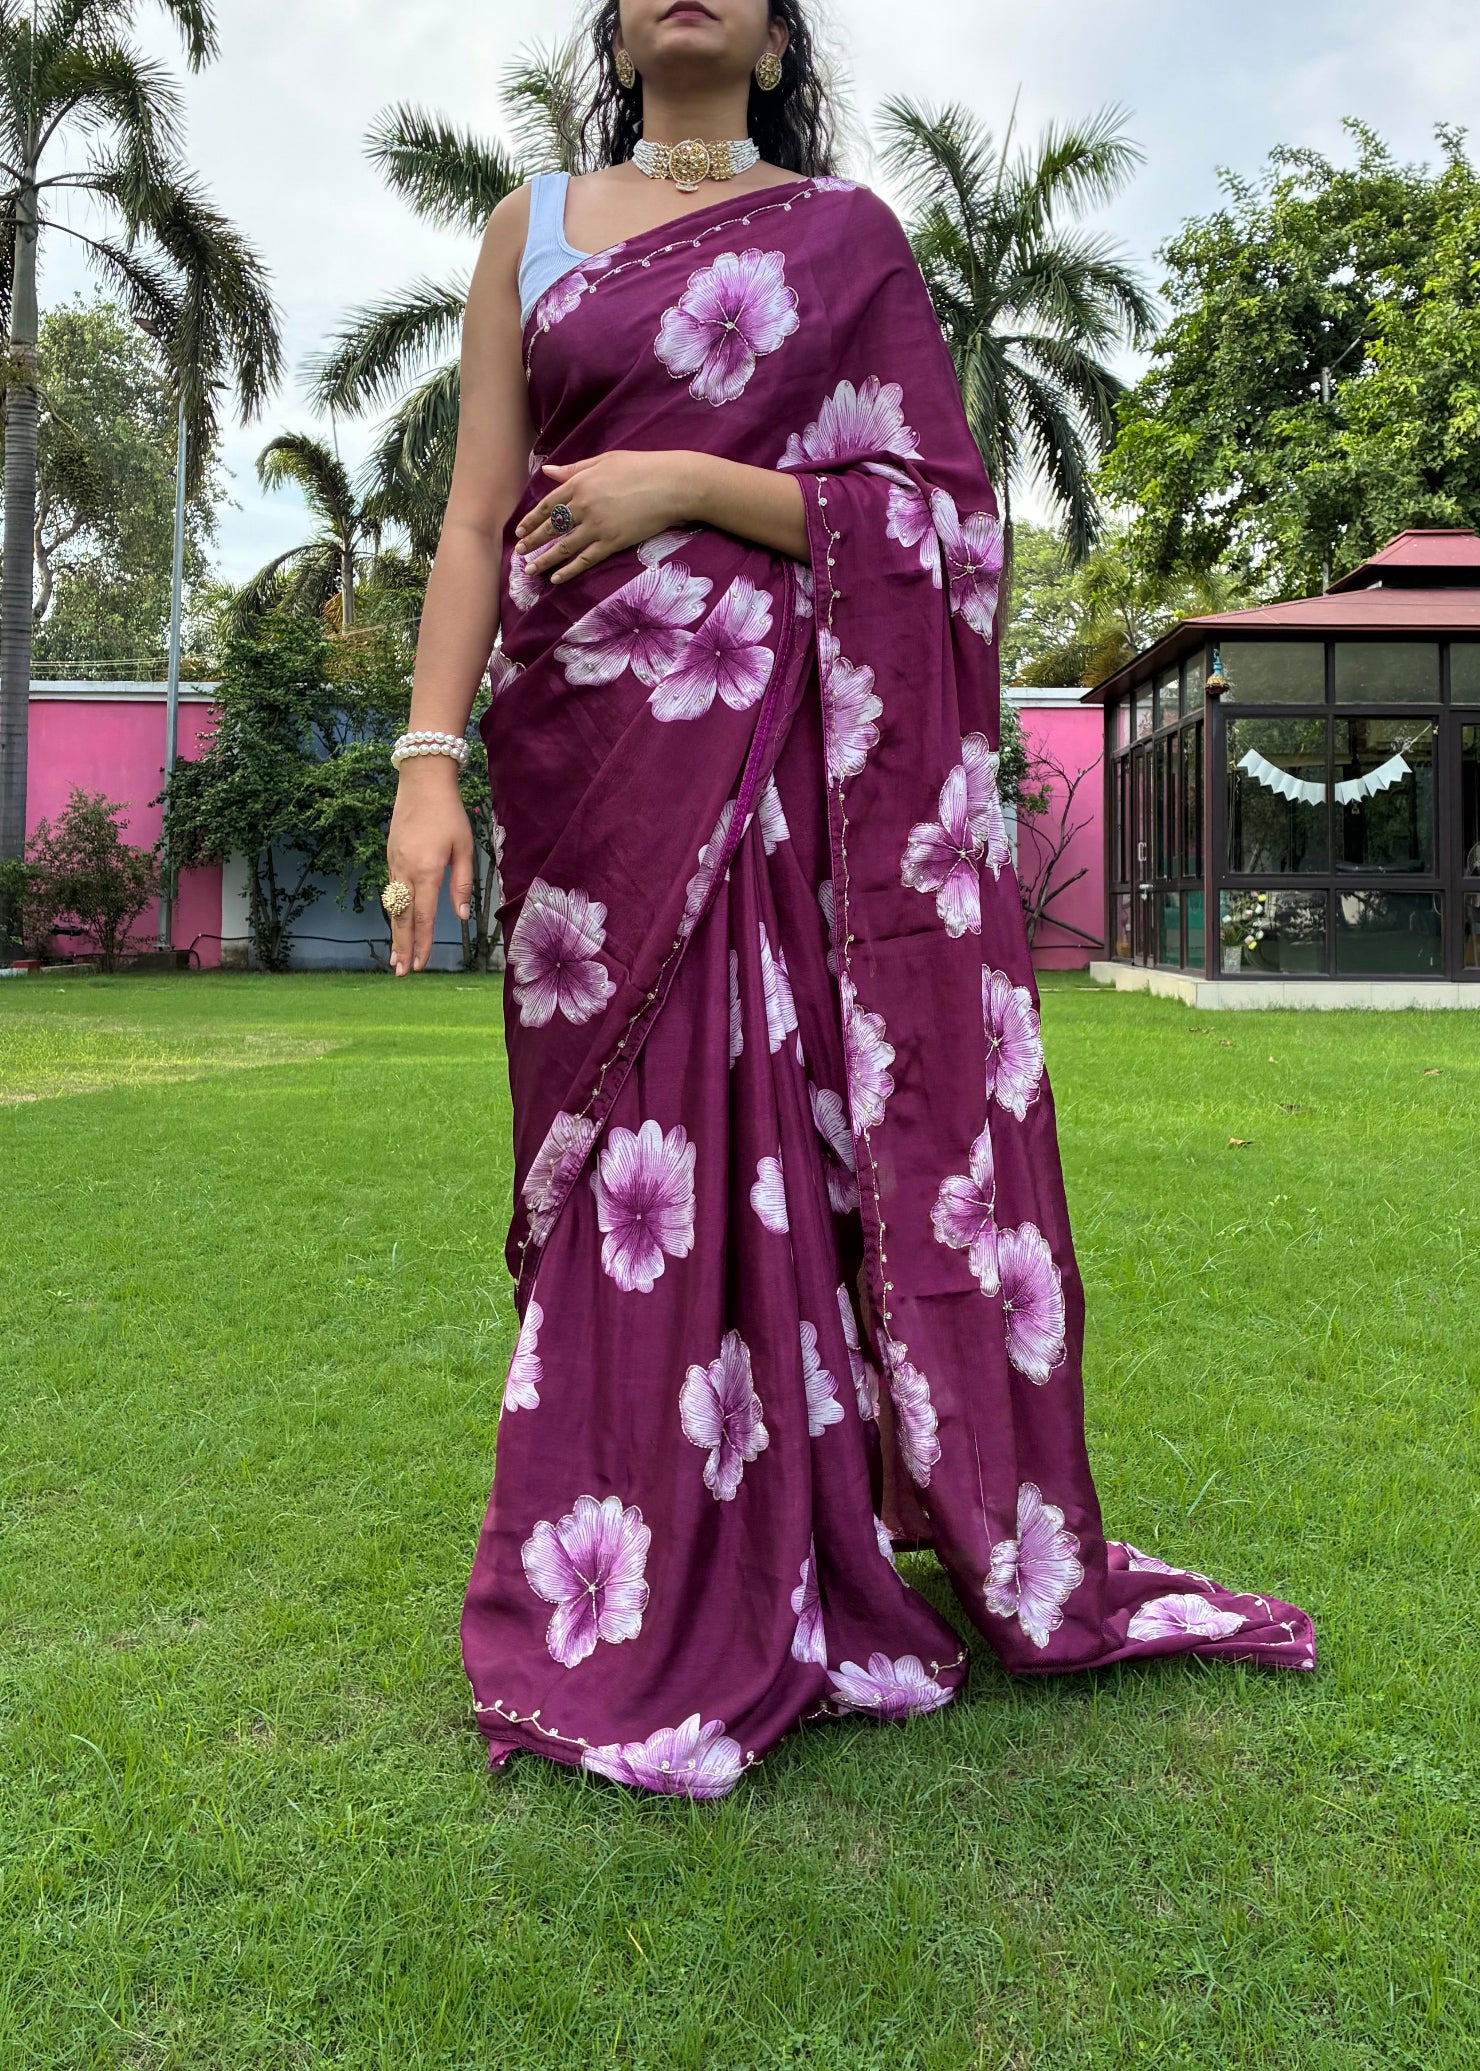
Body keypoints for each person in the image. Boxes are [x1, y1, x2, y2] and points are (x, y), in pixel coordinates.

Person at [382, 0, 1314, 1800]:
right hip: (591, 777)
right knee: (624, 1176)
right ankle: (619, 1580)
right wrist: (427, 756)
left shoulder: (847, 240)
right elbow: (477, 516)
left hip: (782, 784)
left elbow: (950, 527)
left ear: (784, 25)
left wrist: (695, 484)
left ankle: (789, 1560)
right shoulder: (529, 225)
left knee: (760, 1144)